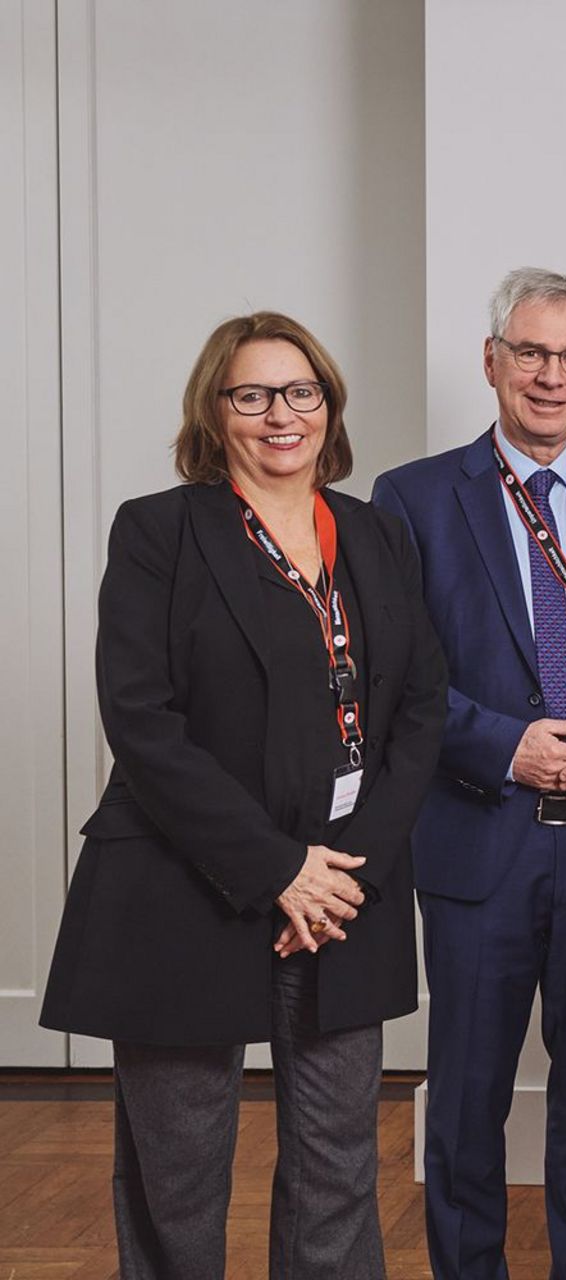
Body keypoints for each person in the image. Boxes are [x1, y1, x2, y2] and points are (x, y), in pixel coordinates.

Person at [40, 311, 448, 1278]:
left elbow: (421, 708)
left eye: (300, 392)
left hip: (346, 891)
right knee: (179, 1175)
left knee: (340, 1163)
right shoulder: (160, 532)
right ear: (214, 412)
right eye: (251, 394)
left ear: (328, 405)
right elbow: (141, 720)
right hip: (191, 887)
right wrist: (279, 871)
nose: (280, 415)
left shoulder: (380, 536)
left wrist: (346, 875)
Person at [371, 268, 566, 1279]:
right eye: (532, 353)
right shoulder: (411, 498)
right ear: (491, 360)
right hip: (477, 836)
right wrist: (505, 742)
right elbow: (397, 681)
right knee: (467, 1094)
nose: (552, 375)